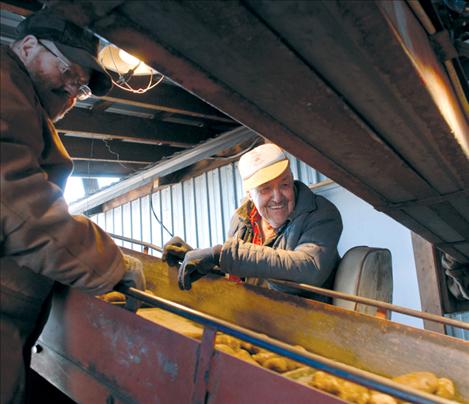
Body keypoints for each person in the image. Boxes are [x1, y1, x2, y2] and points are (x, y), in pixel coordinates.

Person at [1, 10, 145, 403]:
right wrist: (111, 265)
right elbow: (17, 204)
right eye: (67, 71)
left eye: (79, 85)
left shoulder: (23, 104)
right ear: (27, 46)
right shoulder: (4, 87)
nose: (72, 90)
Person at [163, 143, 343, 299]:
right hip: (258, 318)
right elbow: (240, 275)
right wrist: (199, 261)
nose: (277, 197)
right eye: (265, 189)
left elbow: (309, 268)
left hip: (313, 325)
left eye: (284, 184)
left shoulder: (321, 214)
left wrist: (221, 254)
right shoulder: (242, 220)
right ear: (249, 194)